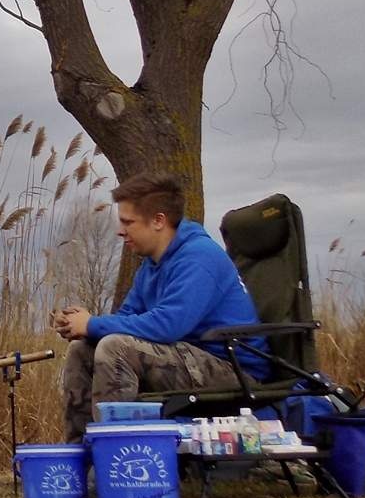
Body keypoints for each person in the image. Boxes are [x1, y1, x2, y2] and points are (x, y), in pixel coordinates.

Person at [53, 171, 265, 441]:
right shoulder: (151, 265)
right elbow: (128, 317)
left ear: (158, 221)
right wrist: (83, 328)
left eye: (128, 222)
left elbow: (167, 325)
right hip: (187, 360)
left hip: (233, 370)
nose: (121, 231)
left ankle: (116, 465)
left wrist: (93, 323)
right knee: (82, 349)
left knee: (116, 348)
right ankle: (80, 458)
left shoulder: (199, 258)